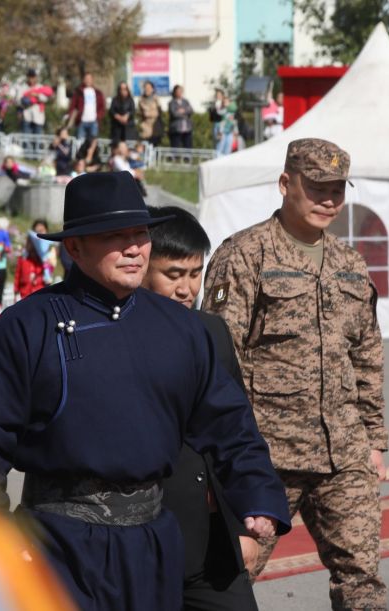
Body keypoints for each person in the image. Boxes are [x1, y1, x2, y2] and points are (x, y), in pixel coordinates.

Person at [0, 171, 290, 611]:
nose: (134, 248)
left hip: (153, 542)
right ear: (74, 247)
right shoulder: (24, 329)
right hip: (58, 543)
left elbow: (229, 424)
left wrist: (257, 494)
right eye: (114, 236)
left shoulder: (181, 329)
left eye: (140, 234)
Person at [203, 138, 388, 611]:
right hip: (267, 453)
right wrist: (228, 449)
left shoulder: (349, 263)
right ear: (286, 183)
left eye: (337, 191)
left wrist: (374, 440)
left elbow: (366, 355)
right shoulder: (245, 255)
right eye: (317, 187)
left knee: (361, 579)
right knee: (228, 570)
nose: (328, 200)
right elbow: (219, 356)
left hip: (343, 453)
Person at [143, 206, 261, 611]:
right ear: (141, 266)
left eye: (195, 274)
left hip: (214, 539)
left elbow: (237, 432)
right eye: (173, 275)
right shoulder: (113, 336)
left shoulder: (213, 331)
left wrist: (243, 527)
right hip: (147, 533)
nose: (186, 288)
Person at [67, 72, 105, 140]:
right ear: (83, 80)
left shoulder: (98, 93)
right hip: (81, 121)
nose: (88, 80)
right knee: (80, 142)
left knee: (92, 143)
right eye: (86, 78)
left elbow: (102, 107)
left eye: (89, 78)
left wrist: (98, 116)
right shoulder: (79, 92)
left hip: (94, 122)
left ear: (92, 80)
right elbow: (73, 106)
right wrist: (72, 116)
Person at [14, 232, 48, 301]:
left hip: (38, 294)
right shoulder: (23, 259)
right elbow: (17, 275)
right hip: (24, 293)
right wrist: (16, 291)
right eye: (29, 243)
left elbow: (46, 277)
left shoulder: (43, 261)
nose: (31, 247)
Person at [19, 69, 53, 135]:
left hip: (38, 117)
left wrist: (36, 95)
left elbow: (45, 99)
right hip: (26, 117)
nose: (31, 79)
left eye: (33, 77)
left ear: (36, 77)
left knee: (37, 139)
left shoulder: (40, 87)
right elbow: (19, 100)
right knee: (26, 139)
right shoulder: (23, 87)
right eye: (30, 77)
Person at [137, 80, 163, 146]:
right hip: (145, 126)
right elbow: (139, 113)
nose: (147, 89)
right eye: (145, 88)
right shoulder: (141, 100)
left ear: (152, 89)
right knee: (145, 146)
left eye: (149, 88)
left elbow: (159, 112)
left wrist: (150, 113)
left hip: (155, 127)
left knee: (155, 146)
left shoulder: (156, 99)